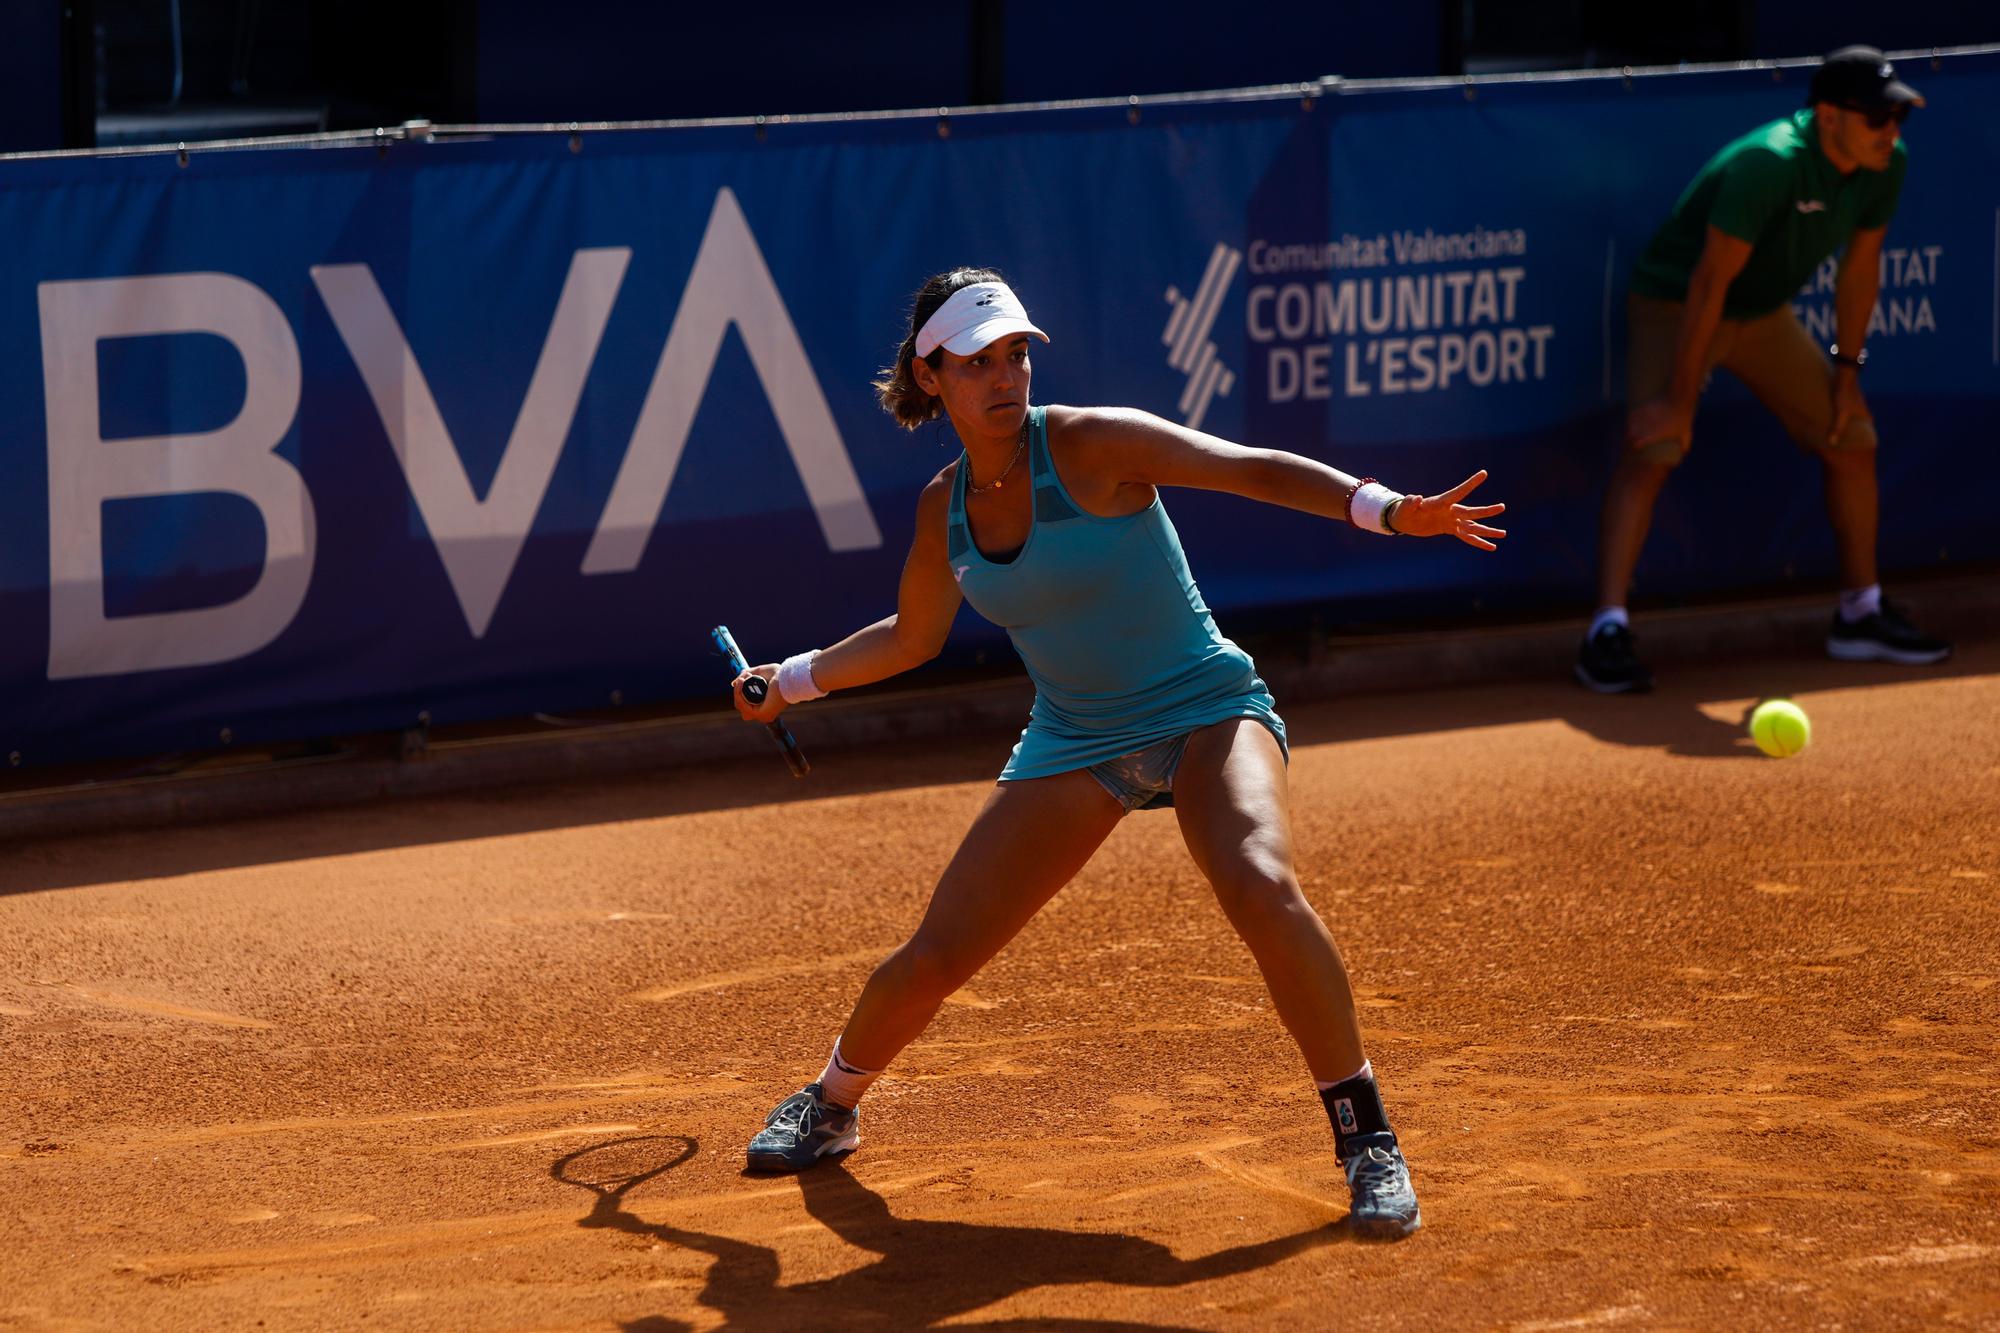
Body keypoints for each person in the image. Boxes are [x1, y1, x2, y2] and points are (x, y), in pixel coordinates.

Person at [729, 268, 1506, 1239]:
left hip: (1205, 709)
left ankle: (1365, 1139)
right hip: (1078, 735)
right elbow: (910, 637)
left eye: (1015, 352)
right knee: (937, 951)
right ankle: (830, 1103)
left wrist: (1386, 509)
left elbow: (1248, 466)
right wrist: (788, 679)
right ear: (931, 378)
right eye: (977, 362)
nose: (1005, 375)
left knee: (1260, 883)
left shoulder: (1090, 443)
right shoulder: (945, 508)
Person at [1577, 45, 1952, 694]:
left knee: (1852, 436)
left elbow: (1861, 270)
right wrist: (1680, 400)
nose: (1891, 132)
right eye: (1878, 119)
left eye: (1898, 120)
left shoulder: (1884, 164)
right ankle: (1605, 630)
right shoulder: (1769, 163)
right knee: (1656, 444)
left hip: (1759, 313)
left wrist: (1848, 375)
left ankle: (1860, 612)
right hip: (1677, 303)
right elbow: (1707, 284)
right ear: (1829, 117)